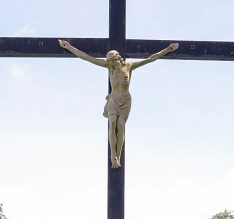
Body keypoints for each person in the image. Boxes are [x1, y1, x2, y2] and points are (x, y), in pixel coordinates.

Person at [58, 39, 179, 169]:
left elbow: (150, 58)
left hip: (125, 101)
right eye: (110, 62)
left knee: (121, 125)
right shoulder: (109, 67)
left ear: (117, 58)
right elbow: (87, 57)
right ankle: (113, 155)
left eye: (112, 61)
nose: (111, 64)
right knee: (112, 123)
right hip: (114, 100)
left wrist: (168, 49)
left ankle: (118, 156)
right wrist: (69, 47)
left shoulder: (129, 66)